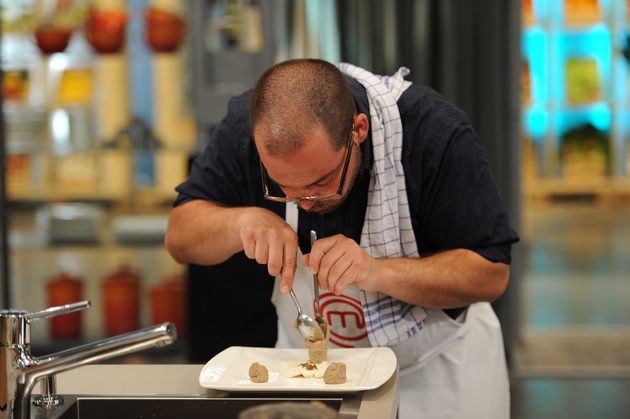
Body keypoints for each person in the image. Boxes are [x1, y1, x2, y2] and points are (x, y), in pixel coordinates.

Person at [165, 58, 519, 418]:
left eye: (320, 183)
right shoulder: (250, 127)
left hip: (436, 374)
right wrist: (239, 222)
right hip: (305, 375)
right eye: (282, 187)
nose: (302, 202)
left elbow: (492, 273)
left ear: (359, 130)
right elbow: (180, 237)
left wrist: (379, 273)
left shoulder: (434, 135)